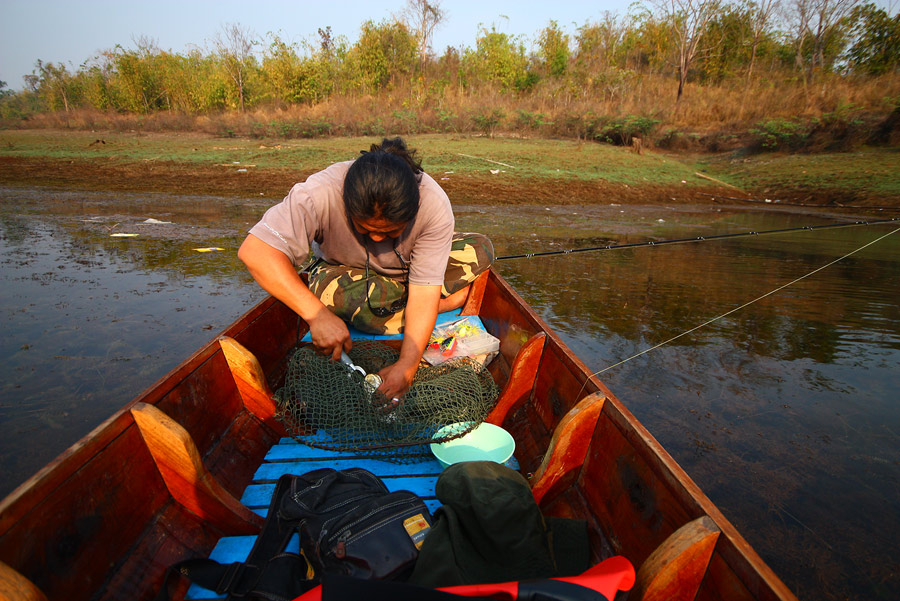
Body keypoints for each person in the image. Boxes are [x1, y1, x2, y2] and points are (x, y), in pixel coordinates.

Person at [238, 138, 493, 399]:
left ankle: (398, 306)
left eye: (391, 231)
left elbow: (424, 289)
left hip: (409, 277)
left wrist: (408, 365)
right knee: (334, 296)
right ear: (346, 205)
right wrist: (316, 315)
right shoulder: (319, 193)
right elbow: (255, 252)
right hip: (347, 274)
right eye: (366, 230)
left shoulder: (432, 203)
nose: (378, 240)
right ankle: (436, 304)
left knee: (480, 248)